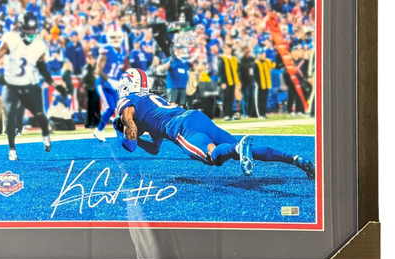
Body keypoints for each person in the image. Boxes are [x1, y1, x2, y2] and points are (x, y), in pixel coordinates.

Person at [112, 68, 315, 179]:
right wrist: (135, 135)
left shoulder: (127, 101)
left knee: (212, 157)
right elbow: (155, 149)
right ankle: (296, 159)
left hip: (181, 127)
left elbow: (130, 137)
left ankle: (237, 148)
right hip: (195, 117)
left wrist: (121, 128)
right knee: (242, 150)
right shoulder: (151, 102)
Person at [0, 11, 68, 160]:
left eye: (34, 28)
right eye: (29, 28)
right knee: (11, 114)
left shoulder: (38, 46)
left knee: (40, 115)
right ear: (21, 27)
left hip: (29, 85)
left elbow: (43, 69)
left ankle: (45, 135)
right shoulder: (11, 41)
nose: (31, 32)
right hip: (11, 84)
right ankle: (12, 149)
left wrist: (54, 84)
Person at [92, 24, 126, 141]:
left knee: (121, 109)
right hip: (103, 84)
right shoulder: (106, 50)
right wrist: (109, 80)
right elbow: (98, 69)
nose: (115, 39)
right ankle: (99, 130)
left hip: (115, 84)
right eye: (113, 37)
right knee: (111, 108)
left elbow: (120, 68)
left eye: (117, 37)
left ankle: (121, 131)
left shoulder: (122, 51)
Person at [218, 43, 240, 121]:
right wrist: (222, 82)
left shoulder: (233, 59)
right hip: (225, 81)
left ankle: (231, 114)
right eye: (226, 48)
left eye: (229, 48)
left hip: (232, 81)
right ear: (224, 49)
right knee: (225, 98)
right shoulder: (221, 58)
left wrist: (237, 81)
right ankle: (226, 114)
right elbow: (221, 71)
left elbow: (236, 71)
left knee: (231, 98)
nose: (227, 50)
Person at [253, 49, 275, 119]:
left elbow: (274, 65)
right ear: (258, 55)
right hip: (260, 85)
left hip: (266, 84)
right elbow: (255, 74)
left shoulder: (267, 62)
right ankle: (260, 114)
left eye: (263, 54)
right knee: (259, 100)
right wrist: (257, 83)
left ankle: (263, 113)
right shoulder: (256, 63)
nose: (262, 55)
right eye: (261, 54)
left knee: (265, 100)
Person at [239, 47, 255, 118]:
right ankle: (245, 114)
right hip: (244, 82)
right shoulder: (241, 60)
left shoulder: (252, 59)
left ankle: (250, 113)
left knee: (251, 98)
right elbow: (239, 72)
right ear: (243, 52)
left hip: (252, 81)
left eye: (248, 51)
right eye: (246, 52)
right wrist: (240, 82)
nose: (247, 53)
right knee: (245, 98)